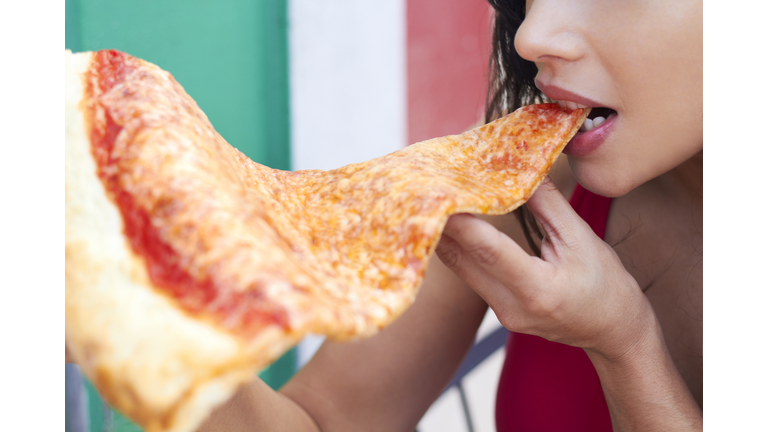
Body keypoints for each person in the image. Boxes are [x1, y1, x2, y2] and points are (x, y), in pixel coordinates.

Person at [75, 0, 703, 430]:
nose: (530, 35)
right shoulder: (534, 189)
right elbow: (322, 422)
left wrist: (625, 344)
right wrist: (127, 307)